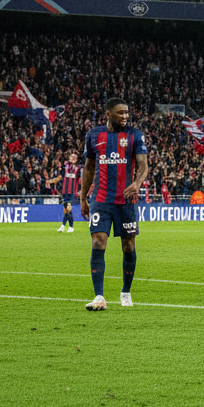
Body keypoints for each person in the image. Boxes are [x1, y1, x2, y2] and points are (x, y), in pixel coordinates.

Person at [79, 98, 150, 310]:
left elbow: (143, 165)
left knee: (128, 245)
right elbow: (89, 168)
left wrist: (137, 184)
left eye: (127, 112)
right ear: (108, 114)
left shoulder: (135, 135)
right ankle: (99, 296)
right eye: (120, 113)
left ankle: (126, 291)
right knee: (98, 242)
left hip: (126, 200)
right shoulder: (94, 135)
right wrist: (83, 197)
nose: (125, 116)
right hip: (101, 199)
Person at [56, 150, 82, 233]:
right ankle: (66, 226)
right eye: (71, 156)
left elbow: (80, 180)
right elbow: (60, 177)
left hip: (72, 192)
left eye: (74, 157)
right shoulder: (65, 168)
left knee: (68, 208)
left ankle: (68, 226)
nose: (73, 158)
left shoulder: (78, 169)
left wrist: (81, 190)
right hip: (64, 192)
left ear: (77, 159)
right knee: (66, 210)